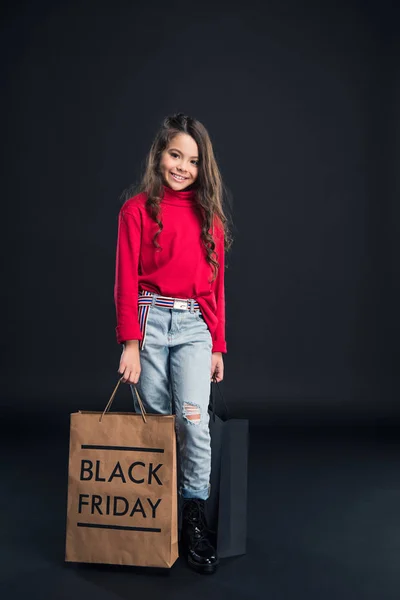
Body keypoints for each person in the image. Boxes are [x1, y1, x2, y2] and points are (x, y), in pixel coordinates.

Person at [113, 112, 232, 574]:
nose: (182, 166)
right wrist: (129, 343)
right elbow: (125, 280)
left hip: (193, 326)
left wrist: (217, 345)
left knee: (194, 421)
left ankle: (193, 514)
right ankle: (160, 513)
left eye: (193, 160)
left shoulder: (210, 219)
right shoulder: (136, 210)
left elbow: (216, 287)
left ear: (204, 167)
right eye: (175, 155)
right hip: (148, 320)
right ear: (159, 155)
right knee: (161, 422)